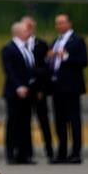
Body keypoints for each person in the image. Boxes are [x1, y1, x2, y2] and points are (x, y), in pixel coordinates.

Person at [47, 14, 88, 164]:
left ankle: (76, 152)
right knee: (59, 121)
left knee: (74, 120)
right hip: (57, 87)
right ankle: (62, 152)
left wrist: (66, 57)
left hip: (72, 87)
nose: (59, 26)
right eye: (57, 23)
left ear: (69, 23)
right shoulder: (55, 41)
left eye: (62, 23)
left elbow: (84, 61)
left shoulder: (77, 41)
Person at [0, 22, 35, 164]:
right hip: (15, 92)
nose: (29, 32)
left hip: (27, 92)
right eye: (26, 30)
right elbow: (10, 71)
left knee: (25, 122)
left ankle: (24, 153)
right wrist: (19, 86)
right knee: (14, 122)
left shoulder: (26, 48)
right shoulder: (9, 49)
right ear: (18, 32)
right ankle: (11, 152)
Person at [22, 16, 54, 162]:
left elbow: (45, 68)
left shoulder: (41, 44)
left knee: (44, 121)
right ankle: (27, 151)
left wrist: (42, 88)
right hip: (24, 90)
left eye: (30, 26)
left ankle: (49, 150)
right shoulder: (19, 45)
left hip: (38, 89)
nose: (27, 29)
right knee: (25, 122)